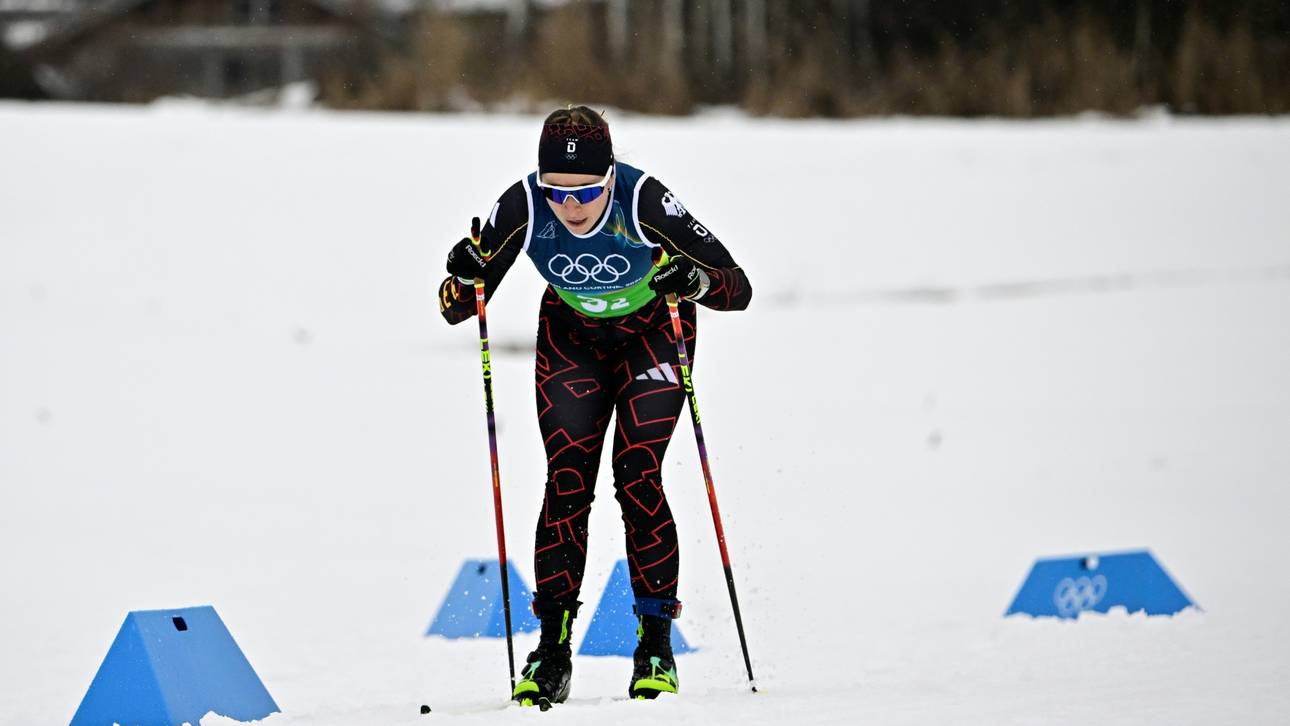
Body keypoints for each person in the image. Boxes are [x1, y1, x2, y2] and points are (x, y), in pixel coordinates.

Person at [438, 106, 752, 705]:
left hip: (654, 334)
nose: (571, 207)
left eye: (586, 191)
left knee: (637, 475)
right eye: (557, 192)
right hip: (572, 338)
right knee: (567, 481)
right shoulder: (524, 206)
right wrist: (463, 274)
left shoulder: (646, 202)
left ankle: (656, 648)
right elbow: (457, 305)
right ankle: (552, 652)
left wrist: (697, 283)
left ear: (610, 177)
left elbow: (737, 286)